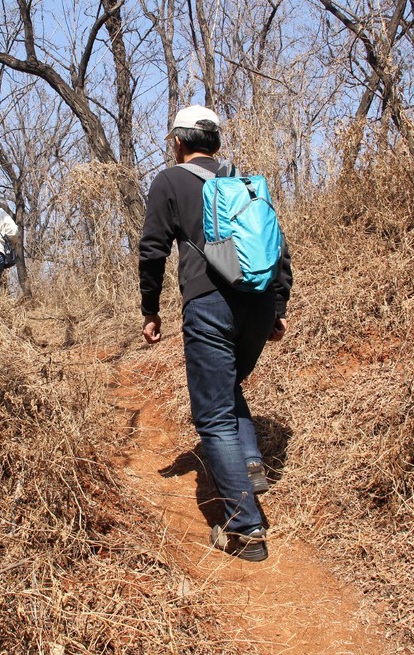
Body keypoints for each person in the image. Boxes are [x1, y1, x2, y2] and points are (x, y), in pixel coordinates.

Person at [139, 105, 292, 562]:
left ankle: (245, 531)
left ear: (178, 142)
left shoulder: (169, 181)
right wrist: (278, 306)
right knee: (227, 385)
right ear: (217, 143)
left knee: (213, 418)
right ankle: (249, 463)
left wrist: (150, 310)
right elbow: (278, 245)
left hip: (210, 304)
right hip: (260, 301)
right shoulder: (242, 181)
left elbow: (152, 251)